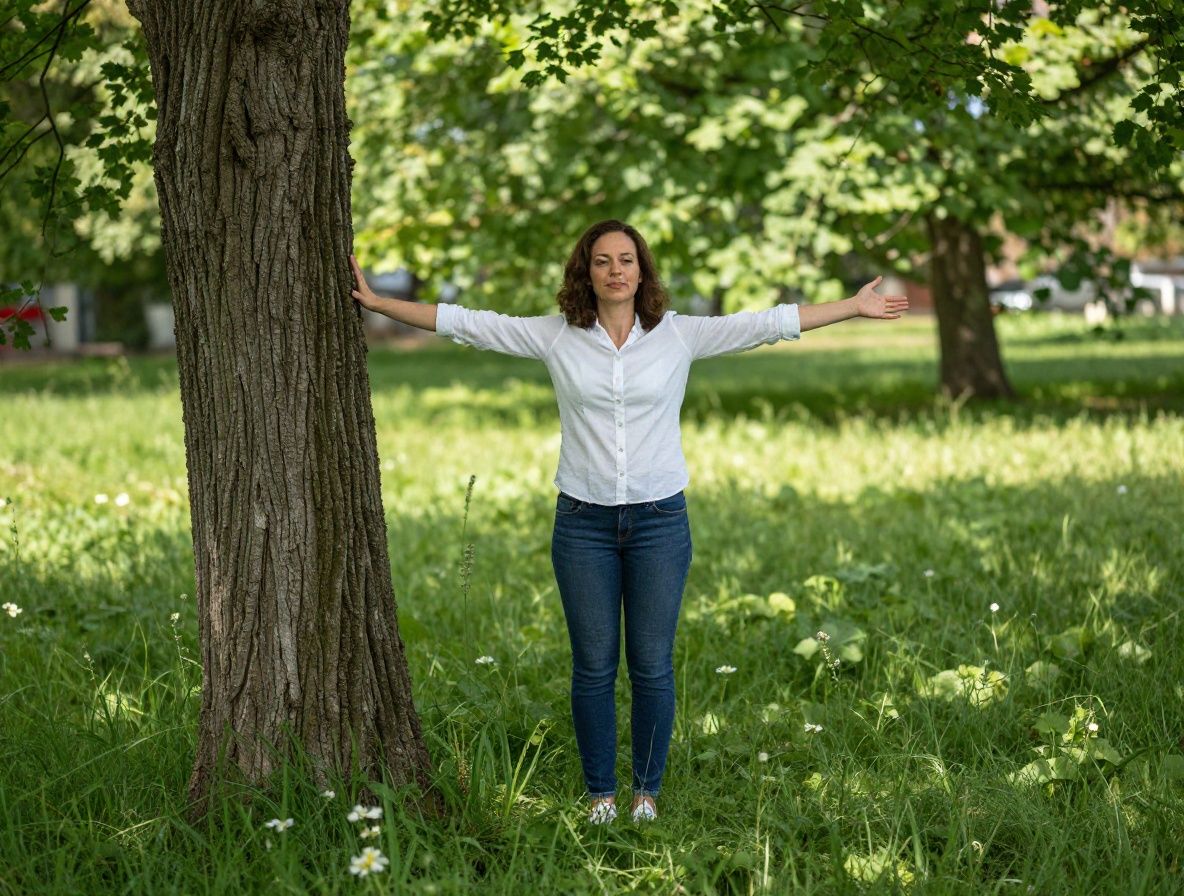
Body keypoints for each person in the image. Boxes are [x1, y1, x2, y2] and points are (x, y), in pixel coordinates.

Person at [348, 220, 908, 825]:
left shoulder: (678, 336)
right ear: (584, 273)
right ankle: (601, 796)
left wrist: (853, 306)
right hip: (582, 524)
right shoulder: (556, 337)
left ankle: (645, 792)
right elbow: (466, 322)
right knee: (592, 666)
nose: (616, 270)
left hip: (660, 522)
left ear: (642, 271)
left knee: (651, 664)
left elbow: (768, 323)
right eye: (602, 261)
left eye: (626, 260)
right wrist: (380, 303)